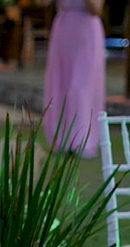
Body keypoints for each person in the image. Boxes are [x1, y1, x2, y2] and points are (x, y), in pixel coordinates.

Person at [40, 0, 105, 158]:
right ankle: (60, 139)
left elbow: (95, 9)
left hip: (86, 31)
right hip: (63, 29)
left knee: (81, 87)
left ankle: (83, 139)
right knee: (59, 86)